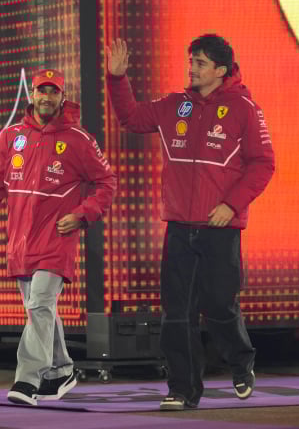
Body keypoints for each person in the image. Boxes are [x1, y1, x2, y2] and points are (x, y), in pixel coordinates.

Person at [105, 34, 275, 411]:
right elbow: (131, 118)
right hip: (179, 228)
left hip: (221, 228)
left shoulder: (244, 107)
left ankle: (240, 361)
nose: (192, 68)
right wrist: (117, 79)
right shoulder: (173, 105)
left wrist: (231, 205)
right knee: (176, 313)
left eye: (200, 62)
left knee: (218, 304)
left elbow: (263, 164)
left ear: (220, 69)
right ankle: (182, 389)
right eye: (190, 61)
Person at [0, 69, 117, 406]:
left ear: (62, 96)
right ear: (32, 93)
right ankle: (62, 369)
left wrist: (81, 213)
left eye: (53, 91)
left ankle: (27, 380)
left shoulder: (78, 138)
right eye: (41, 91)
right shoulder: (11, 136)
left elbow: (107, 183)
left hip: (57, 238)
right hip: (20, 242)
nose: (46, 97)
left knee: (41, 304)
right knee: (39, 311)